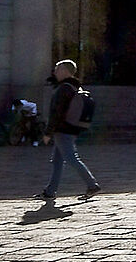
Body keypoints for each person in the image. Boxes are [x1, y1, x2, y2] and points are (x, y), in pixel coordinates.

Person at [39, 60, 99, 204]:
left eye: (57, 69)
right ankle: (50, 191)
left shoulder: (63, 88)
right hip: (70, 128)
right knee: (58, 161)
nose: (55, 72)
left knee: (71, 158)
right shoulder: (74, 86)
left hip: (63, 129)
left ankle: (92, 185)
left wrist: (48, 133)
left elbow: (56, 113)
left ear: (65, 71)